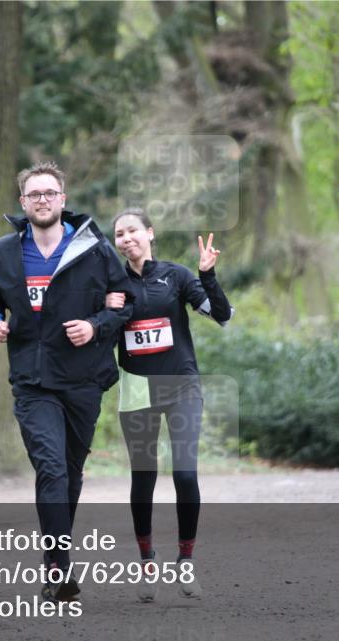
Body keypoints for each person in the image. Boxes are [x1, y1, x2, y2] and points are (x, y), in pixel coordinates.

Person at [0, 162, 133, 603]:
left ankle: (56, 557)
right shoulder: (4, 252)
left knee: (70, 473)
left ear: (63, 200)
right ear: (23, 202)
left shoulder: (94, 249)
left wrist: (95, 325)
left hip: (83, 378)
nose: (42, 200)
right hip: (33, 380)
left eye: (50, 193)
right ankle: (58, 570)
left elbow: (124, 304)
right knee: (51, 467)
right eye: (34, 194)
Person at [105, 208, 233, 602]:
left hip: (181, 386)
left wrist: (207, 275)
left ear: (150, 233)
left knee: (185, 475)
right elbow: (99, 332)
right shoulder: (110, 283)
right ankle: (147, 561)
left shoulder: (175, 276)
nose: (126, 238)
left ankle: (185, 560)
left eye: (132, 230)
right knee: (143, 478)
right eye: (119, 234)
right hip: (137, 389)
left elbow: (222, 315)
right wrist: (108, 309)